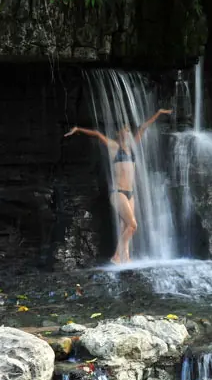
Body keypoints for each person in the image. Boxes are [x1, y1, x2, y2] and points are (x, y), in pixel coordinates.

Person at [64, 108, 173, 264]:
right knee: (133, 225)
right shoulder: (114, 147)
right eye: (125, 131)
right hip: (118, 192)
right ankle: (116, 256)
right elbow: (97, 134)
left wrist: (160, 112)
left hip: (130, 194)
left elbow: (143, 127)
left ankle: (125, 258)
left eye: (128, 131)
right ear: (119, 134)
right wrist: (77, 129)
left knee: (125, 226)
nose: (127, 133)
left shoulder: (132, 147)